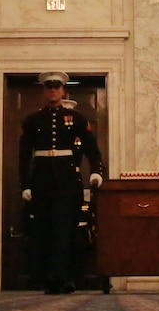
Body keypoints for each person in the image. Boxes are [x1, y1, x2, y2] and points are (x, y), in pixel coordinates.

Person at [19, 71, 104, 294]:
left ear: (63, 90)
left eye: (56, 87)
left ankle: (62, 277)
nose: (53, 91)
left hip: (67, 182)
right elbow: (24, 155)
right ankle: (49, 277)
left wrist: (96, 171)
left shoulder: (76, 118)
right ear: (44, 91)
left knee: (64, 230)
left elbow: (92, 149)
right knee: (44, 230)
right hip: (42, 180)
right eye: (49, 87)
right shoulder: (33, 120)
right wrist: (25, 185)